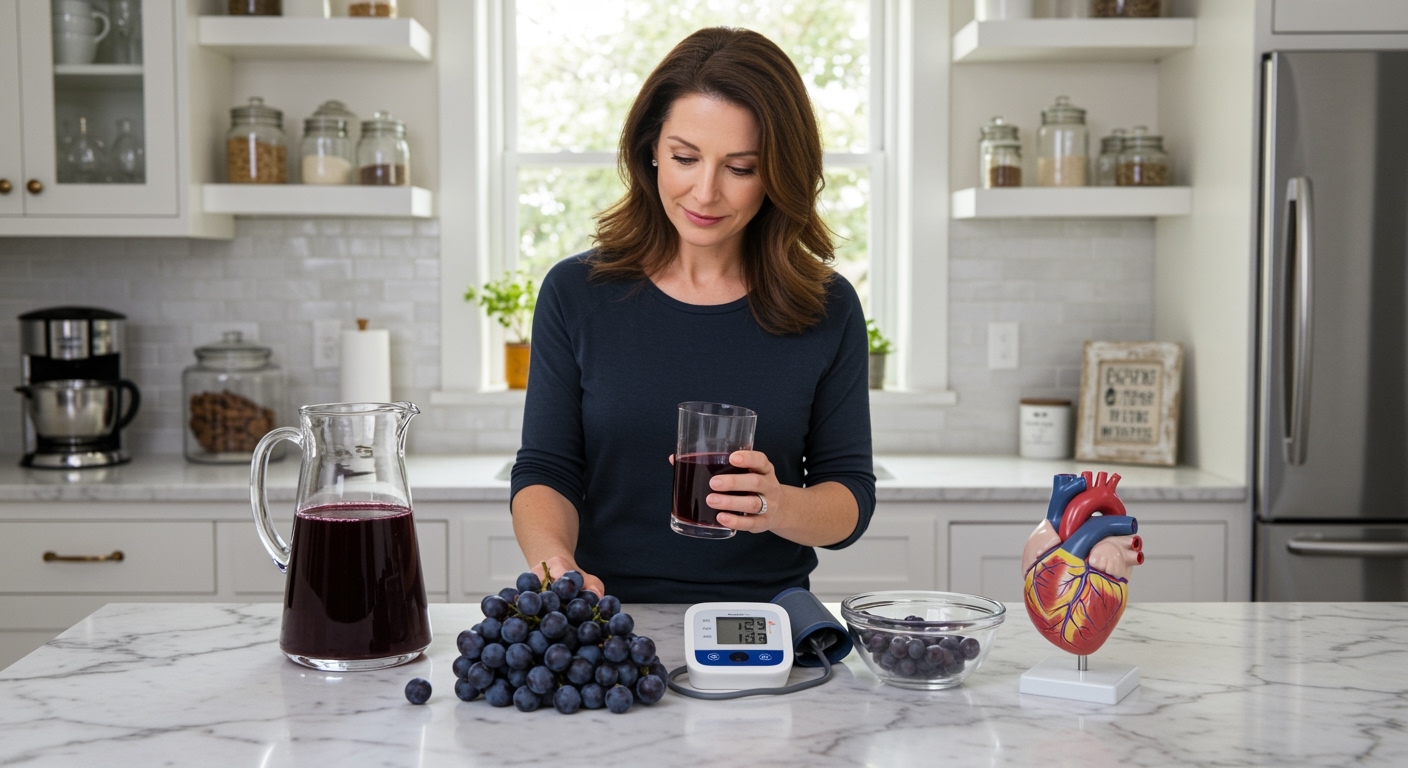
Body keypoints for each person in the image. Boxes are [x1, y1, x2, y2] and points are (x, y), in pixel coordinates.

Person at [510, 27, 875, 604]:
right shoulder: (576, 292)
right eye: (685, 157)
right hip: (608, 614)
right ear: (651, 148)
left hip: (766, 620)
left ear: (778, 174)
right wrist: (555, 560)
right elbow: (546, 467)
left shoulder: (826, 305)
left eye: (740, 167)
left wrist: (779, 504)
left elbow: (850, 499)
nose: (704, 193)